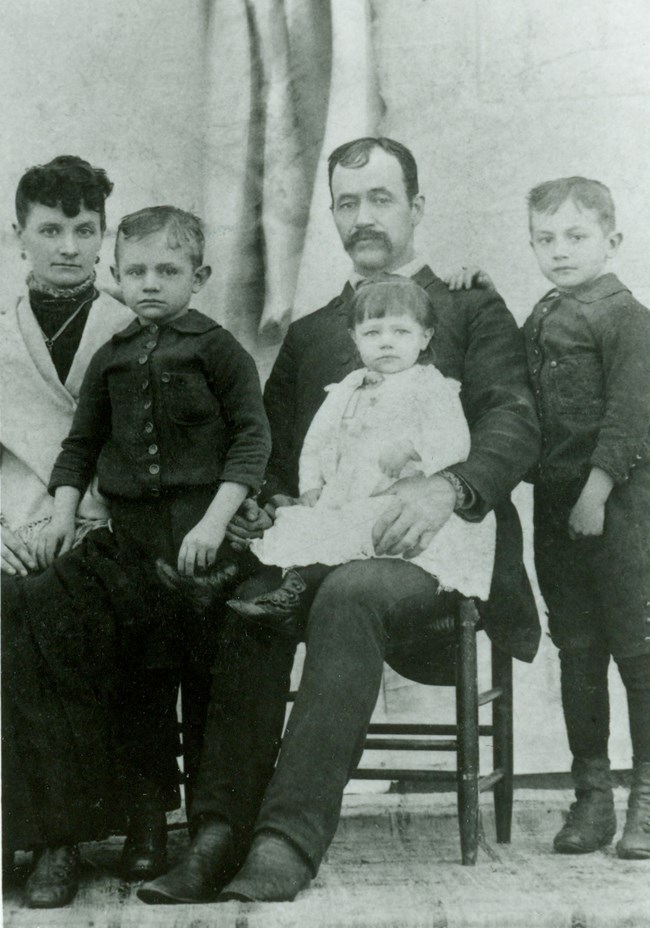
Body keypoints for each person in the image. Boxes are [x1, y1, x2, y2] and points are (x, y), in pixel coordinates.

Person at [139, 136, 541, 906]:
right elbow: (284, 459)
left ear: (416, 207)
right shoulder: (320, 331)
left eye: (381, 199)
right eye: (347, 203)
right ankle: (218, 831)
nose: (363, 217)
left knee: (350, 590)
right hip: (336, 539)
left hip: (440, 548)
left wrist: (448, 487)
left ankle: (287, 840)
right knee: (250, 597)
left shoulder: (469, 306)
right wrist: (268, 500)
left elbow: (514, 424)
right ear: (331, 213)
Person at [2, 204, 271, 908]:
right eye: (137, 272)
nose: (151, 284)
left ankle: (205, 829)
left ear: (199, 276)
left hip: (203, 547)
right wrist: (62, 517)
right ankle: (126, 823)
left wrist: (214, 522)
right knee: (88, 640)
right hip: (126, 548)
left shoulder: (219, 351)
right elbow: (80, 446)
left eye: (168, 271)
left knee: (210, 661)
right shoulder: (113, 354)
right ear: (116, 277)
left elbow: (251, 441)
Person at [448, 177, 650, 861]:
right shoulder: (544, 309)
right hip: (557, 507)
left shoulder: (626, 315)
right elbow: (527, 376)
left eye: (576, 236)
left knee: (637, 650)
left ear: (611, 240)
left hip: (621, 507)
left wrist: (596, 490)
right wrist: (491, 292)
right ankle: (591, 797)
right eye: (545, 238)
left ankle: (646, 800)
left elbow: (629, 416)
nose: (559, 251)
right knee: (579, 652)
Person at [229, 274, 496, 636]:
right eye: (373, 333)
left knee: (350, 532)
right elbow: (316, 442)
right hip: (346, 495)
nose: (386, 343)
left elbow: (455, 442)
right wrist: (310, 487)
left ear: (425, 336)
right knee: (300, 521)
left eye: (400, 332)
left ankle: (296, 591)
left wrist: (413, 448)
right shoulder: (346, 387)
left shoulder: (432, 387)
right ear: (354, 337)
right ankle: (273, 583)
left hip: (398, 501)